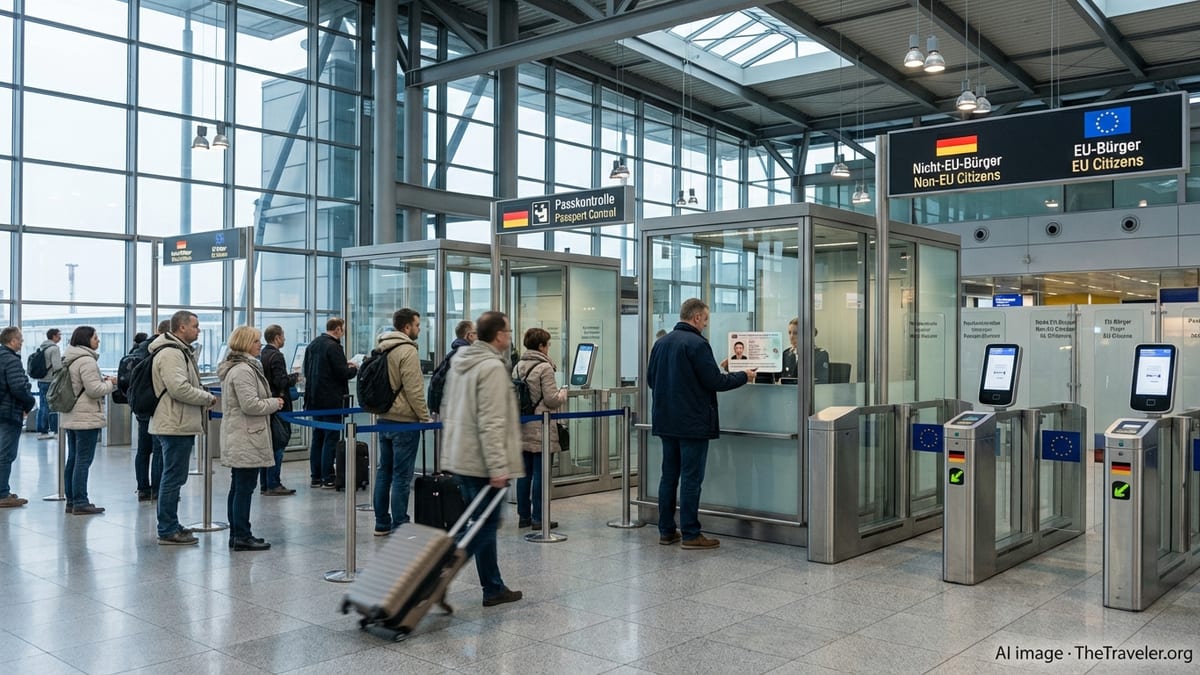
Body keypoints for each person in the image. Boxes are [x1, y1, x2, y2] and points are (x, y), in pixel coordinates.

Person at [647, 298, 755, 550]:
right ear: (696, 318)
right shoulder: (697, 343)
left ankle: (666, 531)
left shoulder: (661, 343)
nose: (706, 325)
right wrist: (744, 375)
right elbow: (715, 381)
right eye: (705, 320)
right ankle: (691, 533)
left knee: (669, 477)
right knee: (691, 479)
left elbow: (652, 380)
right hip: (692, 424)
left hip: (666, 421)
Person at [442, 311, 523, 607]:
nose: (510, 336)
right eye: (509, 331)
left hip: (463, 455)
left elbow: (448, 406)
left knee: (480, 523)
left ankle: (493, 586)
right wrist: (499, 466)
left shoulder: (461, 362)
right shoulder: (491, 367)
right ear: (499, 335)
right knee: (485, 525)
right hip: (482, 461)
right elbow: (491, 421)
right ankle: (439, 573)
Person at [152, 310, 218, 546]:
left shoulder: (178, 351)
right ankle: (167, 528)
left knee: (174, 476)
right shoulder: (171, 353)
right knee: (173, 477)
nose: (198, 330)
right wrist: (206, 398)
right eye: (195, 326)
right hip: (174, 422)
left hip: (176, 421)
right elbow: (178, 388)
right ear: (181, 328)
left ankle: (170, 522)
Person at [219, 326, 285, 551]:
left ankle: (238, 533)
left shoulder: (241, 368)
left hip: (242, 434)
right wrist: (274, 403)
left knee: (239, 486)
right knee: (244, 488)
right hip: (246, 436)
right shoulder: (243, 371)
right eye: (255, 341)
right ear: (246, 344)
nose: (259, 344)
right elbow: (250, 404)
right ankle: (242, 535)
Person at [373, 308, 430, 536]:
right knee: (401, 475)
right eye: (417, 325)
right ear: (407, 327)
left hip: (383, 418)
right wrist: (425, 417)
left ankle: (381, 522)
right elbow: (414, 389)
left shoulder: (381, 347)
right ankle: (400, 524)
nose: (419, 329)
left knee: (383, 471)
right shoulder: (407, 350)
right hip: (404, 421)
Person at [511, 327, 566, 530]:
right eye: (548, 345)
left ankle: (523, 516)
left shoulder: (517, 366)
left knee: (524, 474)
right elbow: (552, 400)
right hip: (541, 428)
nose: (548, 348)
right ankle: (539, 518)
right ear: (541, 346)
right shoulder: (544, 368)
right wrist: (563, 394)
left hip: (522, 426)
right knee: (541, 475)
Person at [60, 326, 117, 515]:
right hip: (85, 416)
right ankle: (81, 501)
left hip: (71, 413)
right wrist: (111, 383)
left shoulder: (69, 358)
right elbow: (94, 390)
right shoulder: (86, 361)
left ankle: (71, 500)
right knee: (83, 460)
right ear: (86, 340)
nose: (98, 341)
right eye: (95, 337)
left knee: (74, 458)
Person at [302, 317, 357, 488]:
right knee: (330, 438)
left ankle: (316, 476)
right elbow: (342, 373)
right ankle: (328, 476)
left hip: (314, 399)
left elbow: (309, 369)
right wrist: (354, 368)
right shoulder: (334, 347)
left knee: (317, 438)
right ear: (338, 329)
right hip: (332, 400)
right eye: (343, 329)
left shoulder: (313, 344)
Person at [259, 324, 299, 496]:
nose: (284, 339)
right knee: (278, 445)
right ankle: (274, 483)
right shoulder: (277, 356)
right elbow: (280, 381)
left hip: (267, 403)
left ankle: (265, 483)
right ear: (276, 337)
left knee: (268, 445)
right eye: (283, 336)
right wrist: (295, 377)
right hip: (279, 405)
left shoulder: (263, 354)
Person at [132, 320, 169, 501]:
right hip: (155, 405)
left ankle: (142, 489)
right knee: (158, 450)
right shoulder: (163, 350)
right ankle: (157, 489)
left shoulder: (139, 348)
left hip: (140, 405)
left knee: (143, 449)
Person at [0, 327, 35, 508]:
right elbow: (18, 387)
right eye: (20, 339)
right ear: (12, 340)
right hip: (9, 412)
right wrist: (30, 403)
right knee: (6, 454)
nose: (22, 342)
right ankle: (2, 494)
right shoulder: (11, 360)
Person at [34, 328, 63, 439]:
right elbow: (57, 367)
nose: (60, 337)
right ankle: (55, 430)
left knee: (43, 405)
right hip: (51, 381)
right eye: (59, 335)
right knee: (53, 406)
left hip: (41, 380)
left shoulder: (43, 347)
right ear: (54, 336)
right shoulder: (54, 349)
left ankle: (42, 430)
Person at [780, 319, 829, 384]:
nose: (791, 337)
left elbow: (821, 382)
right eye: (789, 333)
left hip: (807, 393)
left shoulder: (820, 354)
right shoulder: (786, 354)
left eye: (795, 333)